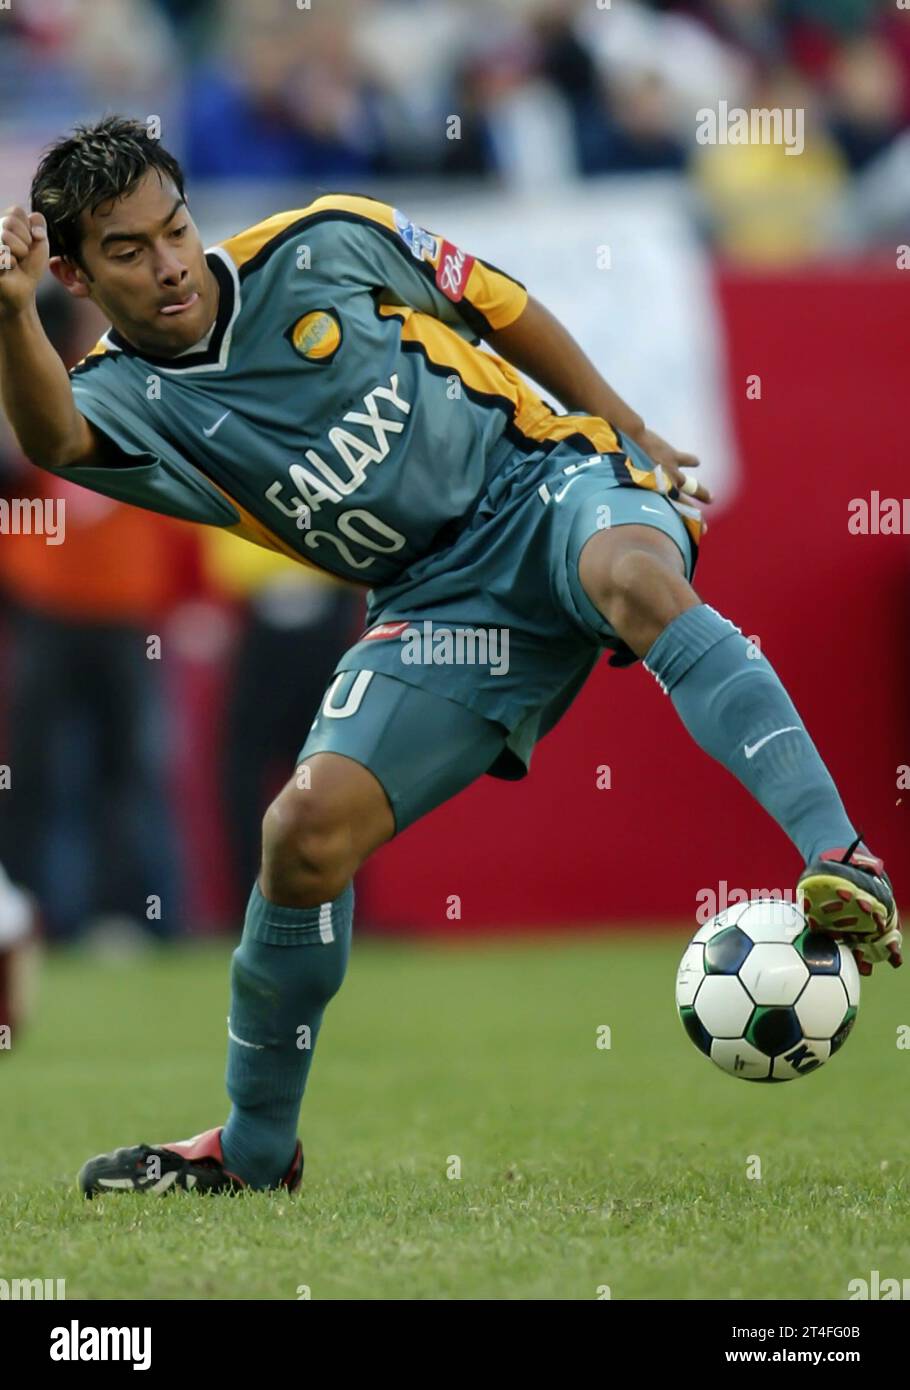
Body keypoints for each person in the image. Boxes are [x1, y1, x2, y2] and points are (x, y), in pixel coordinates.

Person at [0, 116, 900, 1198]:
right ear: (74, 273)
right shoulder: (118, 398)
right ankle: (249, 1152)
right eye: (129, 251)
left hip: (551, 486)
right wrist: (11, 315)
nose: (170, 264)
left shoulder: (325, 240)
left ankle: (840, 858)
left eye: (175, 229)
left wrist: (624, 427)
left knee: (634, 581)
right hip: (437, 601)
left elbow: (494, 300)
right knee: (302, 831)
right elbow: (51, 442)